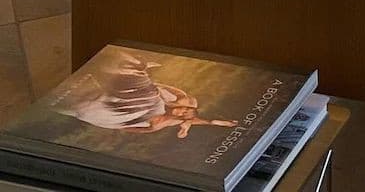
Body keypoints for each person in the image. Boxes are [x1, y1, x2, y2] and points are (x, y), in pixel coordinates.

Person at [49, 47, 237, 139]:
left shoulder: (162, 119)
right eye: (184, 110)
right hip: (100, 109)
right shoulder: (176, 104)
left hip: (110, 112)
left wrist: (210, 123)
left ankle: (132, 67)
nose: (181, 111)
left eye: (183, 113)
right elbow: (188, 115)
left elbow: (190, 120)